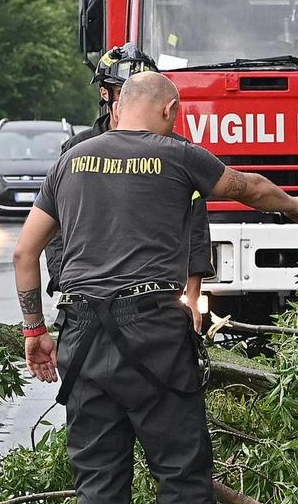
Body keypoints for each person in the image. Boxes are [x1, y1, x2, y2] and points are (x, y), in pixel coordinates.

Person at [12, 71, 298, 504]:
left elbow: (25, 250)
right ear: (170, 109)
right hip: (153, 332)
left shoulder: (71, 163)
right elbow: (250, 187)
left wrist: (35, 328)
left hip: (82, 334)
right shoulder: (177, 156)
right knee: (181, 480)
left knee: (100, 485)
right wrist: (294, 206)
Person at [44, 43, 214, 330]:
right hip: (85, 300)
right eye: (124, 93)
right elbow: (54, 227)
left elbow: (195, 229)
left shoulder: (176, 151)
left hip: (153, 302)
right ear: (105, 94)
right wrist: (68, 284)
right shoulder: (77, 149)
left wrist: (193, 300)